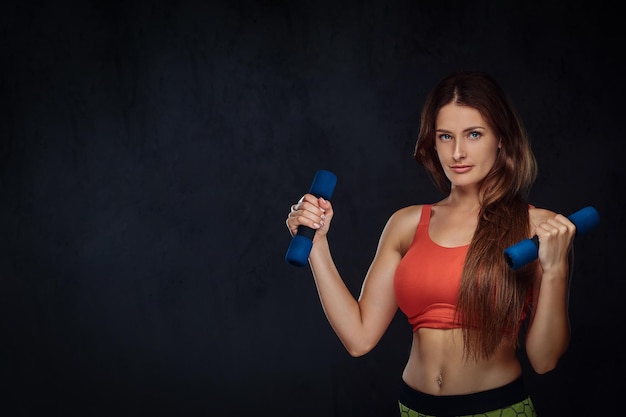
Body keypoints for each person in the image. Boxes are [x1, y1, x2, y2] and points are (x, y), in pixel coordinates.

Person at [285, 71, 576, 417]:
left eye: (473, 134)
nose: (457, 152)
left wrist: (555, 269)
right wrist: (318, 246)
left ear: (501, 138)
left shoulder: (539, 227)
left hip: (496, 410)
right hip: (414, 409)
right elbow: (359, 337)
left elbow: (544, 361)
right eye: (445, 136)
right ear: (432, 142)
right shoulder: (406, 224)